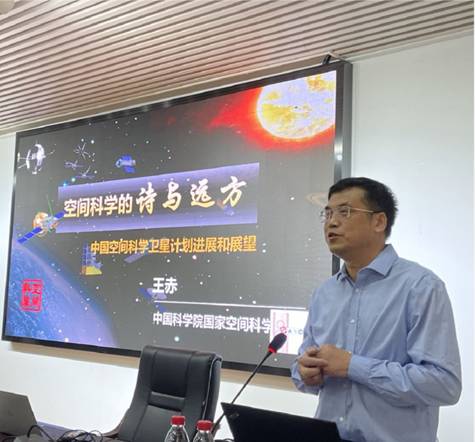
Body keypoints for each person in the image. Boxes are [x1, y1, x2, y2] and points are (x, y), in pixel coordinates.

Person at [291, 177, 461, 442]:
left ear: (379, 221)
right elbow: (303, 370)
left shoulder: (420, 286)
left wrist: (352, 366)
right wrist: (305, 372)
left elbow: (443, 385)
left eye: (345, 212)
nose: (331, 222)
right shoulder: (324, 293)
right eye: (328, 213)